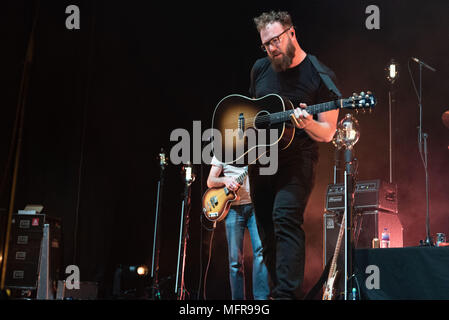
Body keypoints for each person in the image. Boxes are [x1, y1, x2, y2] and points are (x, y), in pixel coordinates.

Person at [248, 10, 340, 299]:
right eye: (265, 44)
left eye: (275, 41)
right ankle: (280, 291)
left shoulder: (320, 74)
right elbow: (251, 113)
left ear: (291, 33)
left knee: (285, 217)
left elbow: (328, 132)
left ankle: (286, 295)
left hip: (297, 160)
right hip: (262, 161)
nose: (271, 49)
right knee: (266, 232)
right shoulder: (260, 69)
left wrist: (308, 122)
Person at [207, 156, 269, 300]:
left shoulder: (256, 148)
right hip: (233, 209)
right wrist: (225, 180)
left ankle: (262, 300)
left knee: (261, 253)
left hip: (255, 206)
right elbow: (210, 180)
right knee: (235, 260)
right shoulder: (222, 149)